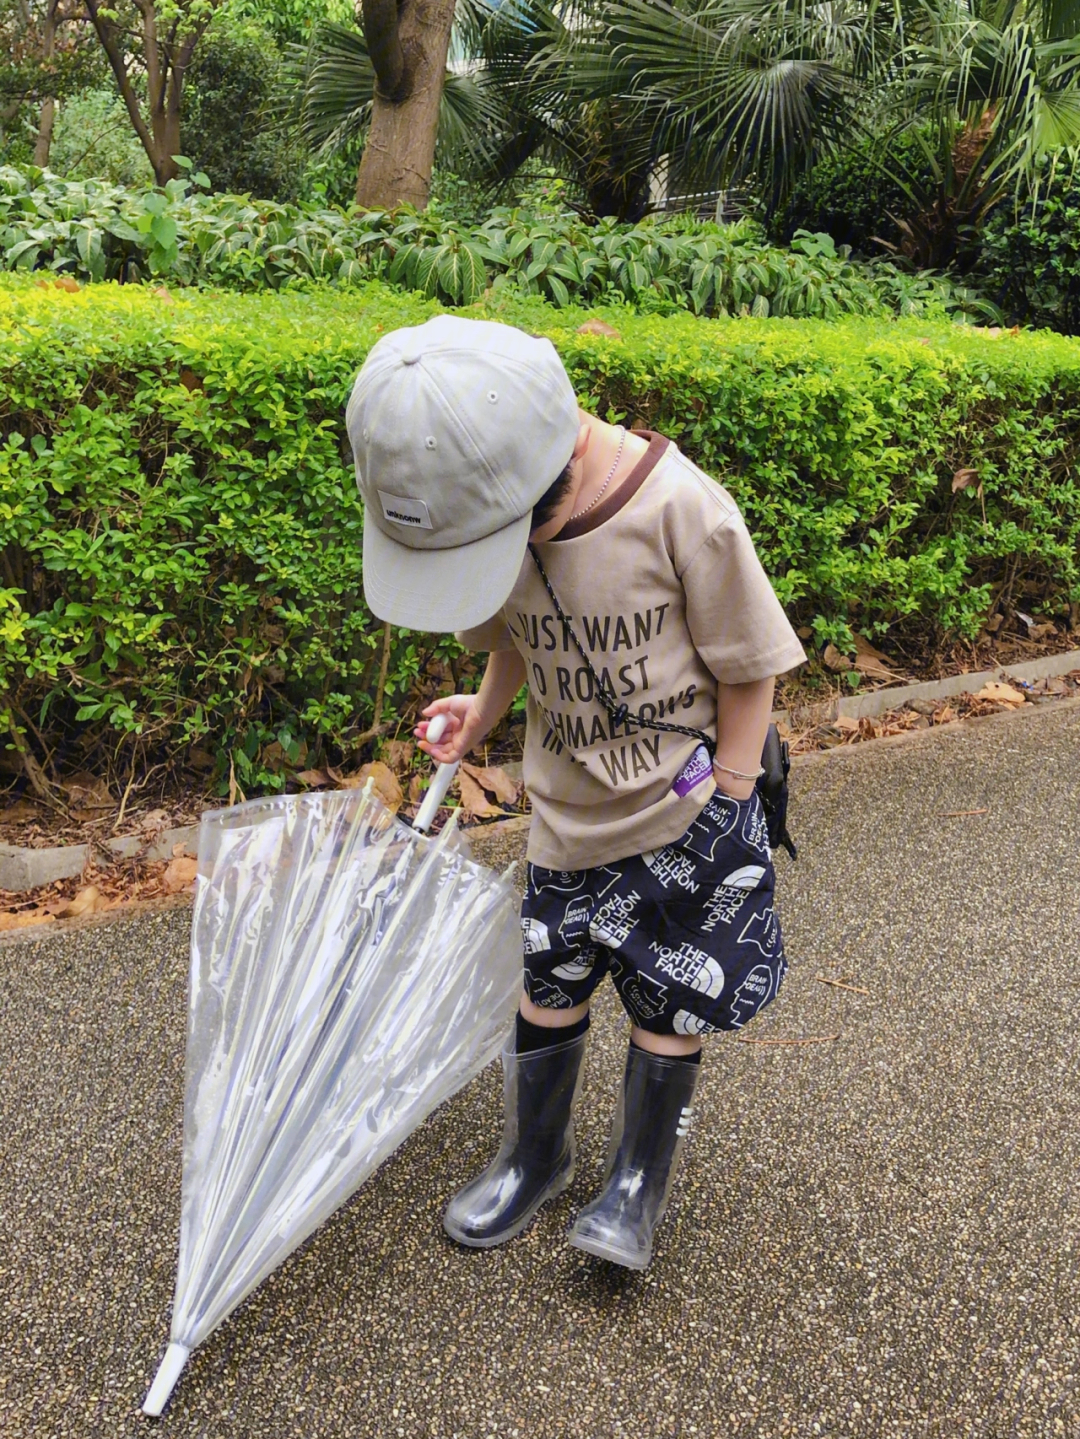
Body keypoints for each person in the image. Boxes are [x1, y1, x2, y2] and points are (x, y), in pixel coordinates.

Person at [346, 314, 806, 1270]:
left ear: (550, 472)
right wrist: (479, 717)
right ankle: (534, 1154)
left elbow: (751, 664)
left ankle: (635, 1183)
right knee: (547, 983)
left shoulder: (685, 511)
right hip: (566, 816)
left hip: (684, 815)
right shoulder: (496, 509)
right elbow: (512, 637)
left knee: (667, 1001)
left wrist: (729, 798)